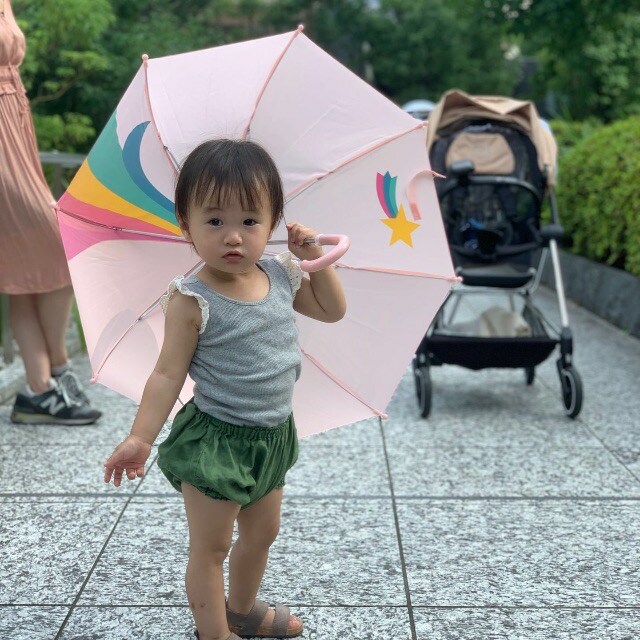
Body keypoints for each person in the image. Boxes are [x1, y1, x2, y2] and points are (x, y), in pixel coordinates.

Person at [103, 139, 346, 640]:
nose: (233, 237)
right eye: (214, 221)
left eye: (250, 221)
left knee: (262, 534)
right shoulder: (191, 300)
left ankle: (241, 610)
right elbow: (167, 374)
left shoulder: (281, 274)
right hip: (216, 443)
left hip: (272, 436)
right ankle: (213, 632)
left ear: (273, 223)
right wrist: (141, 437)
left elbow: (331, 310)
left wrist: (315, 258)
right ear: (186, 225)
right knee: (212, 547)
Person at [0, 0, 101, 425]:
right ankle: (58, 368)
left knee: (21, 274)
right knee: (61, 240)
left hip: (14, 122)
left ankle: (38, 390)